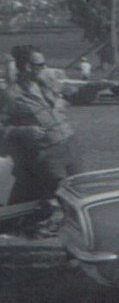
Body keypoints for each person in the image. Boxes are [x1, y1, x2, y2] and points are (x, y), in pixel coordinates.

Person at [0, 45, 83, 206]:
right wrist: (23, 131)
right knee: (58, 198)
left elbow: (68, 98)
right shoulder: (12, 95)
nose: (45, 68)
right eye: (41, 64)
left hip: (70, 145)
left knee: (79, 192)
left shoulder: (45, 85)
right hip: (47, 153)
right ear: (27, 67)